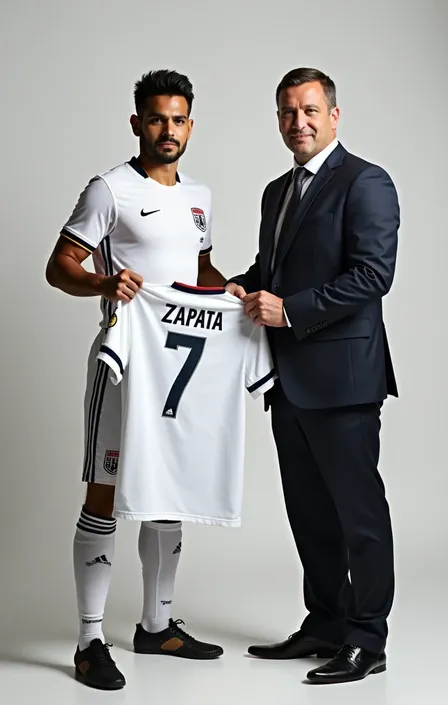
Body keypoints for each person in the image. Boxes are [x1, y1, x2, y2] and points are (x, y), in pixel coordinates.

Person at [45, 69, 226, 691]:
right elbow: (59, 265)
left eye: (177, 120)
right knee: (105, 494)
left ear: (190, 126)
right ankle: (90, 640)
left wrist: (231, 293)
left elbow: (198, 272)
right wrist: (103, 281)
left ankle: (158, 625)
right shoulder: (110, 189)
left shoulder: (201, 196)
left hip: (180, 371)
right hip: (123, 369)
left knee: (168, 493)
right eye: (156, 118)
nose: (167, 130)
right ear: (136, 123)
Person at [225, 67, 399, 685]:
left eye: (309, 110)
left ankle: (367, 639)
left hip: (346, 380)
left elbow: (373, 274)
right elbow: (274, 267)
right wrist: (238, 285)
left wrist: (290, 310)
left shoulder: (366, 181)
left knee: (359, 515)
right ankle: (325, 621)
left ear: (334, 115)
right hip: (289, 381)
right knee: (309, 513)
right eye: (287, 112)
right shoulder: (277, 191)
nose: (298, 122)